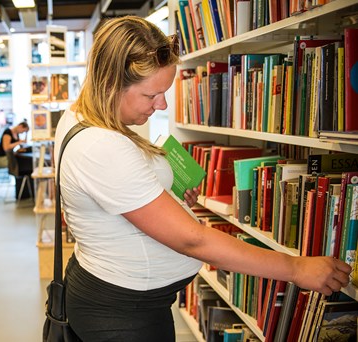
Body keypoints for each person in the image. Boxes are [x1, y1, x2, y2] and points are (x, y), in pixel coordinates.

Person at [53, 16, 351, 341]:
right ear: (110, 84)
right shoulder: (100, 145)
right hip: (123, 314)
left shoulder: (79, 115)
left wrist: (171, 196)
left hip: (121, 299)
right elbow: (192, 240)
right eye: (151, 95)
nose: (162, 104)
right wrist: (297, 269)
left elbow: (111, 198)